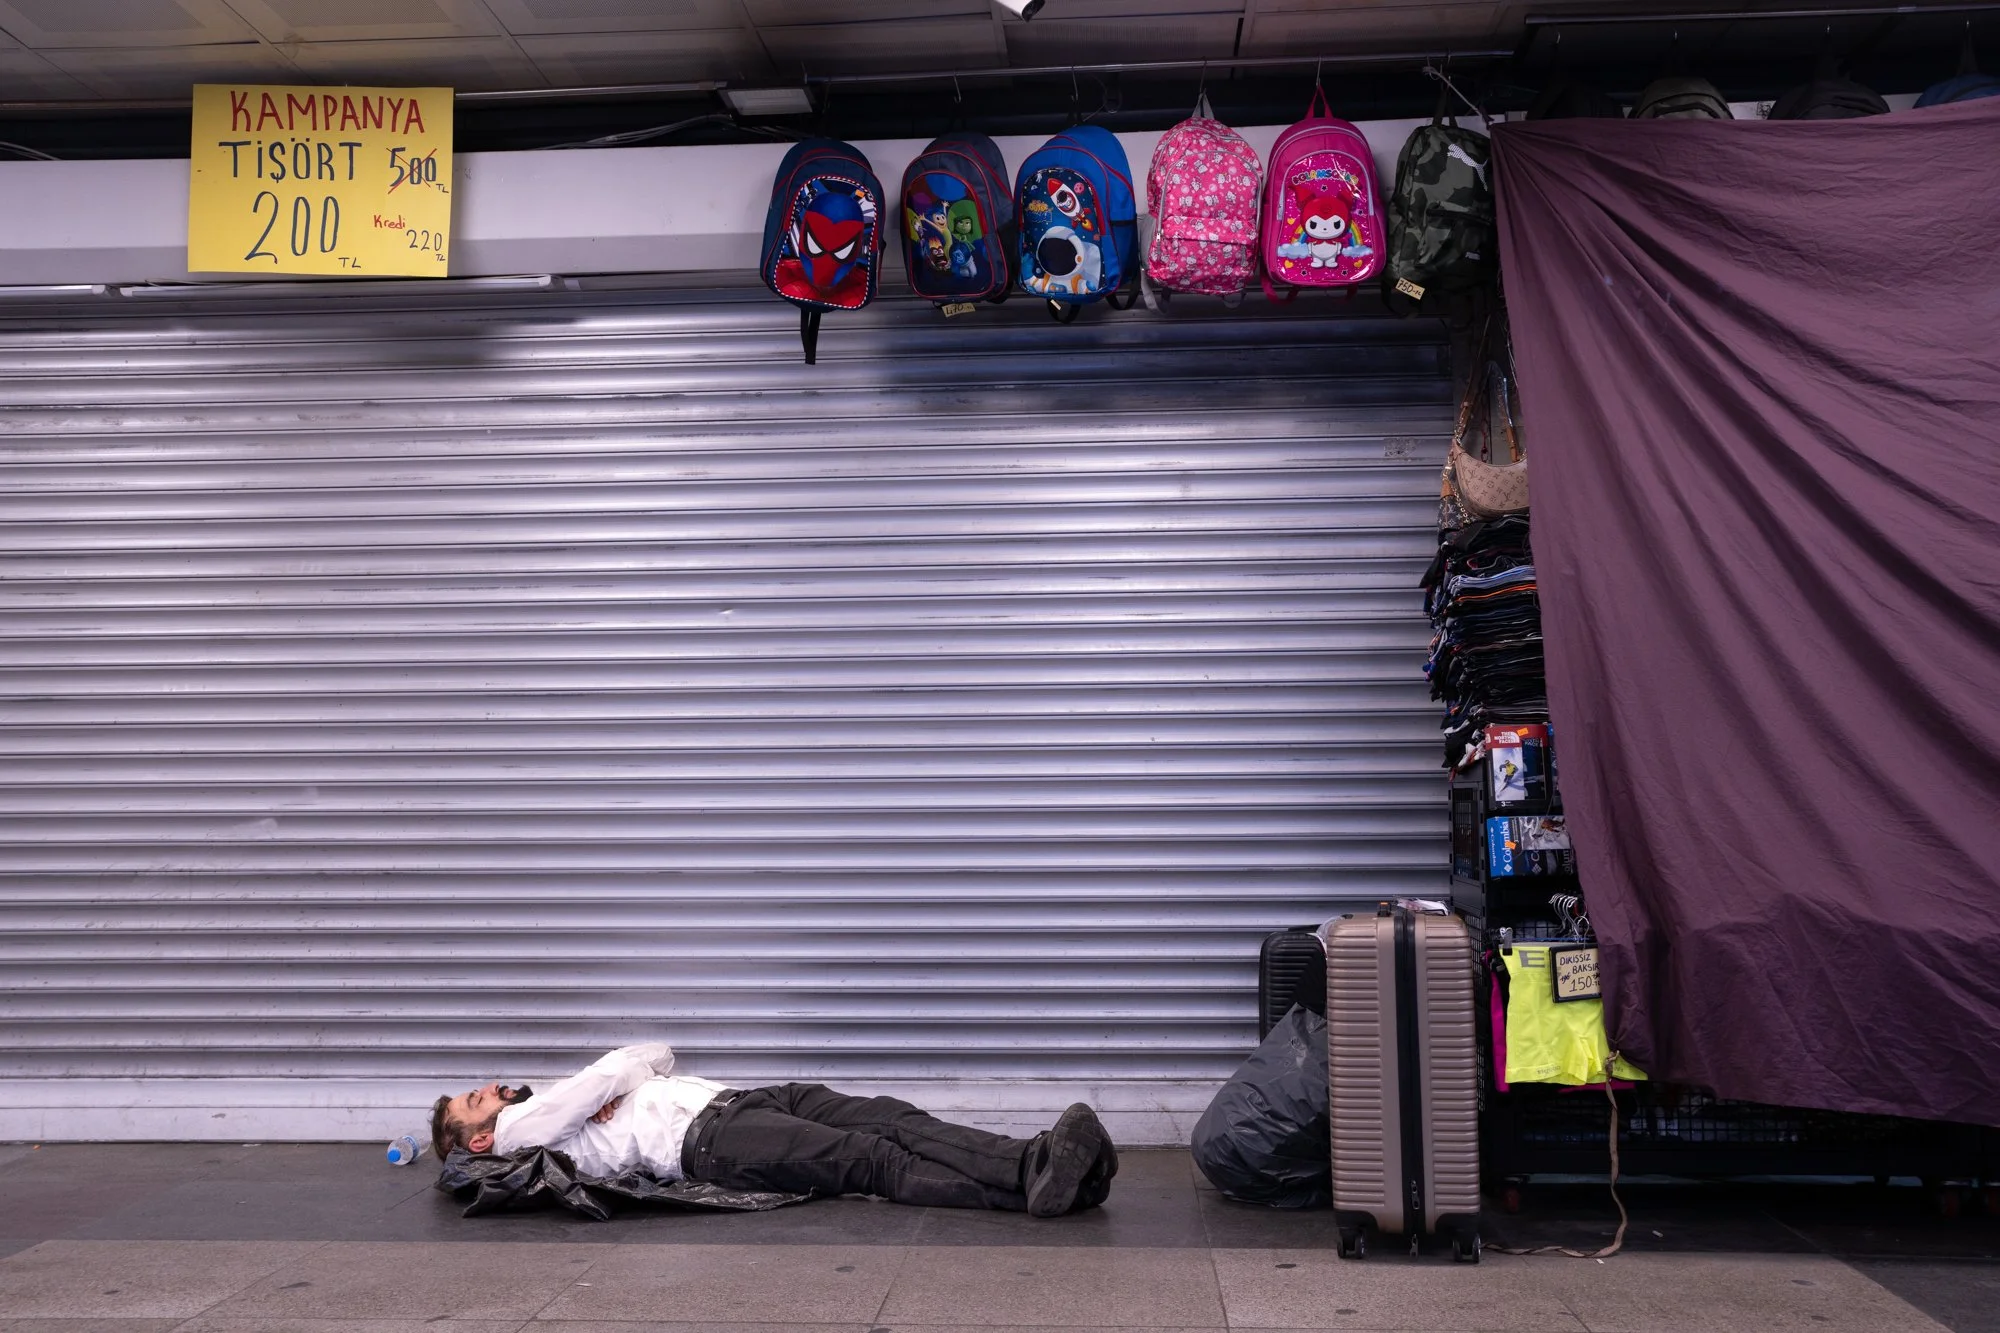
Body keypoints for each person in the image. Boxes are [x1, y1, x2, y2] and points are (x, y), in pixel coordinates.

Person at [430, 1042, 1116, 1217]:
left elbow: (655, 1050)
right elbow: (618, 1063)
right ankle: (1037, 1180)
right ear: (480, 1138)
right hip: (710, 1141)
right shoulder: (522, 1129)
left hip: (743, 1100)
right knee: (870, 1157)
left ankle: (1037, 1162)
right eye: (472, 1100)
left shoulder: (552, 1106)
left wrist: (620, 1079)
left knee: (886, 1115)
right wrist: (615, 1079)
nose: (486, 1087)